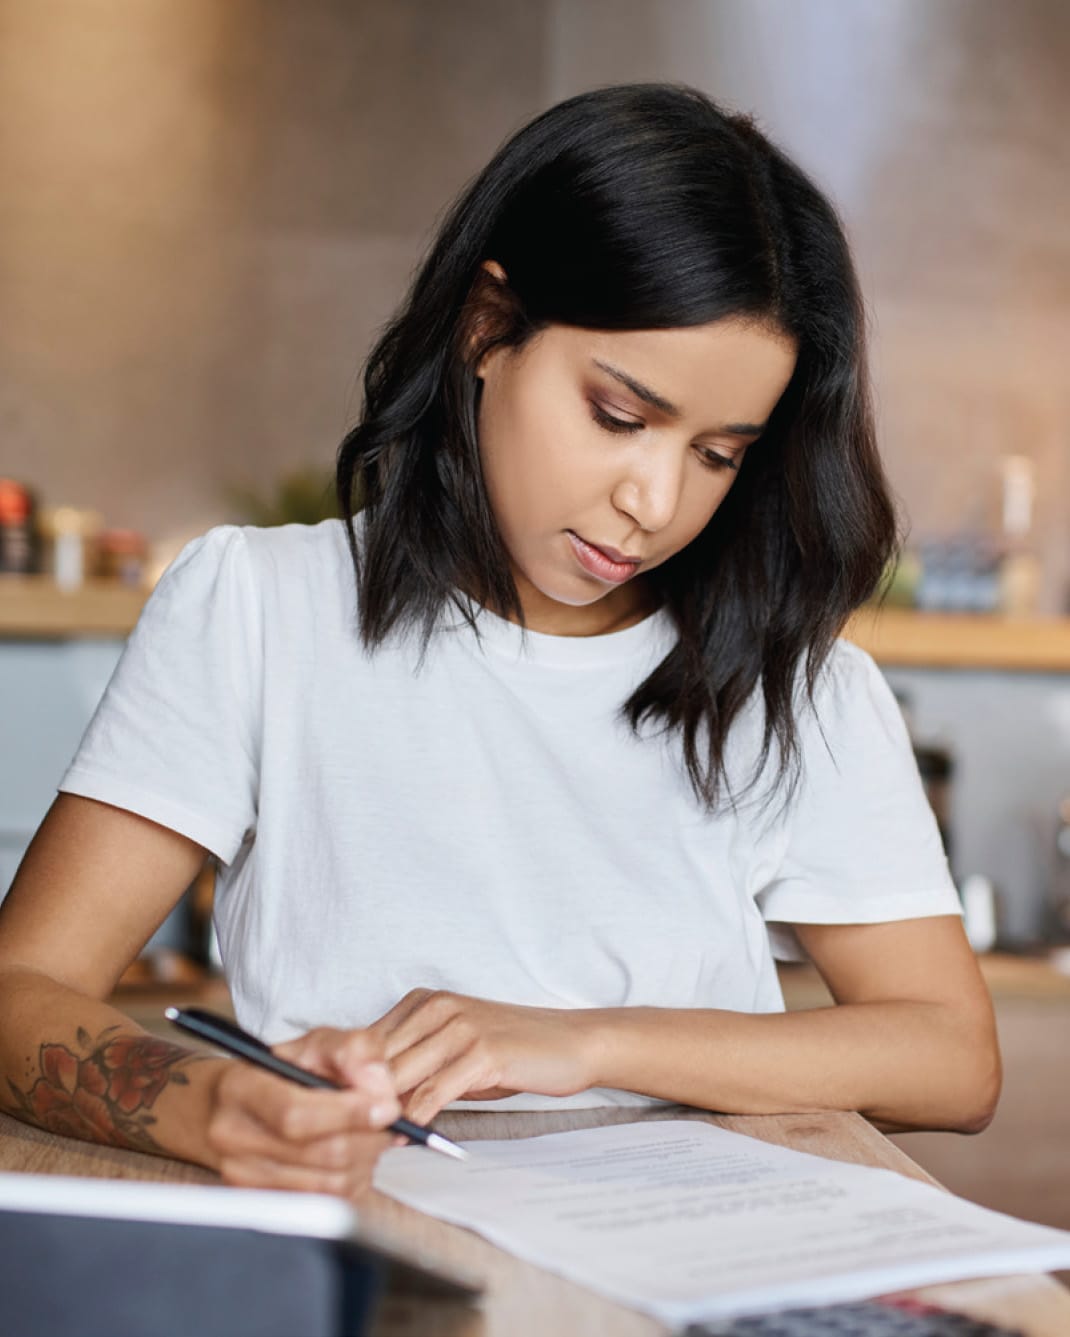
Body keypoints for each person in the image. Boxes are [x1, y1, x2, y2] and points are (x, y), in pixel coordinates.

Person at [0, 83, 1000, 1199]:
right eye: (618, 416)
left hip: (699, 1240)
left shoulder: (791, 683)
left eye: (718, 454)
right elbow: (23, 981)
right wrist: (208, 1100)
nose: (653, 499)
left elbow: (949, 1059)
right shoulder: (256, 607)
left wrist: (580, 1041)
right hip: (361, 1213)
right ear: (487, 330)